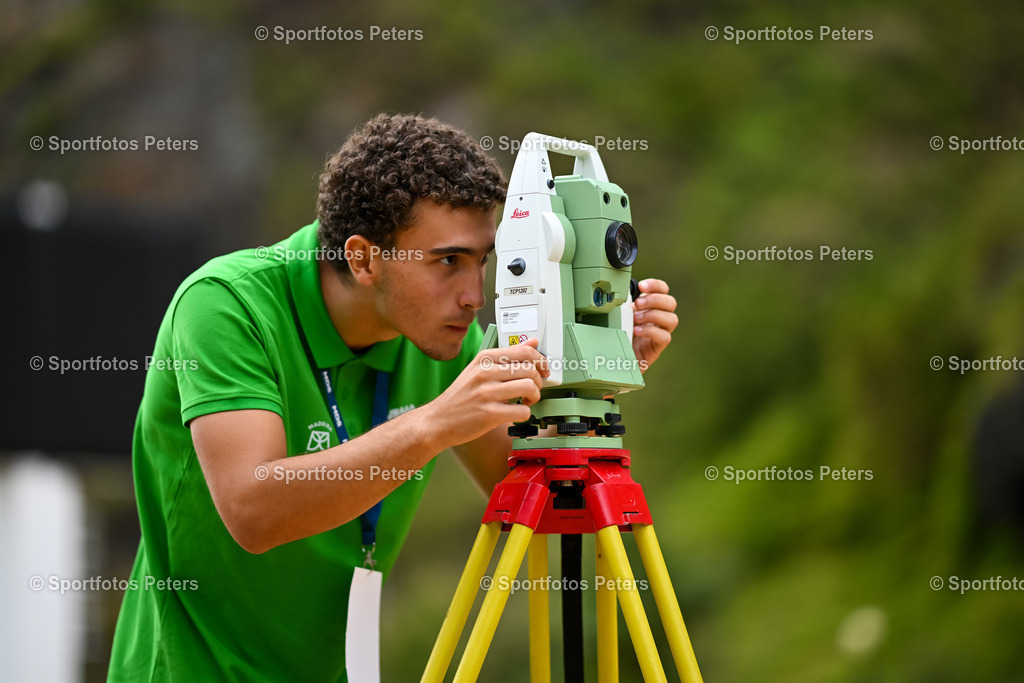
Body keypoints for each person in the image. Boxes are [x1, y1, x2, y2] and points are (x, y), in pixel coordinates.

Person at [107, 113, 679, 681]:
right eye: (447, 262)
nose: (475, 297)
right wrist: (431, 426)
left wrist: (595, 369)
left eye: (484, 260)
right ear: (363, 258)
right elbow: (253, 512)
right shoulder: (225, 305)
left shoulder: (435, 332)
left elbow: (535, 497)